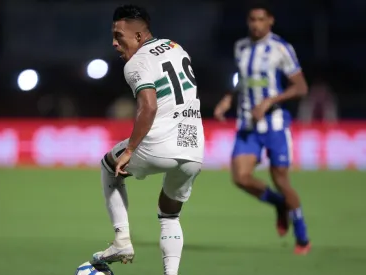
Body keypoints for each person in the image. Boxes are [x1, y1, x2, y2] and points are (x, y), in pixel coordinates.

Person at [92, 5, 204, 275]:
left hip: (158, 142)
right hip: (193, 148)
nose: (114, 43)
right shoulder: (176, 47)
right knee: (170, 214)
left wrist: (130, 149)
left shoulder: (136, 63)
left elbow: (149, 106)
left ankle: (121, 241)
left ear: (139, 36)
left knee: (110, 166)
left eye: (119, 36)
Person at [213, 2, 311, 254]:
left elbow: (300, 87)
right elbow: (241, 79)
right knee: (240, 178)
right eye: (252, 19)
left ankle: (302, 236)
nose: (256, 24)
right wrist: (228, 98)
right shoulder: (241, 47)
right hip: (247, 124)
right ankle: (280, 205)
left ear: (270, 21)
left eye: (260, 19)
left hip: (275, 125)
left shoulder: (281, 48)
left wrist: (269, 101)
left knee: (280, 179)